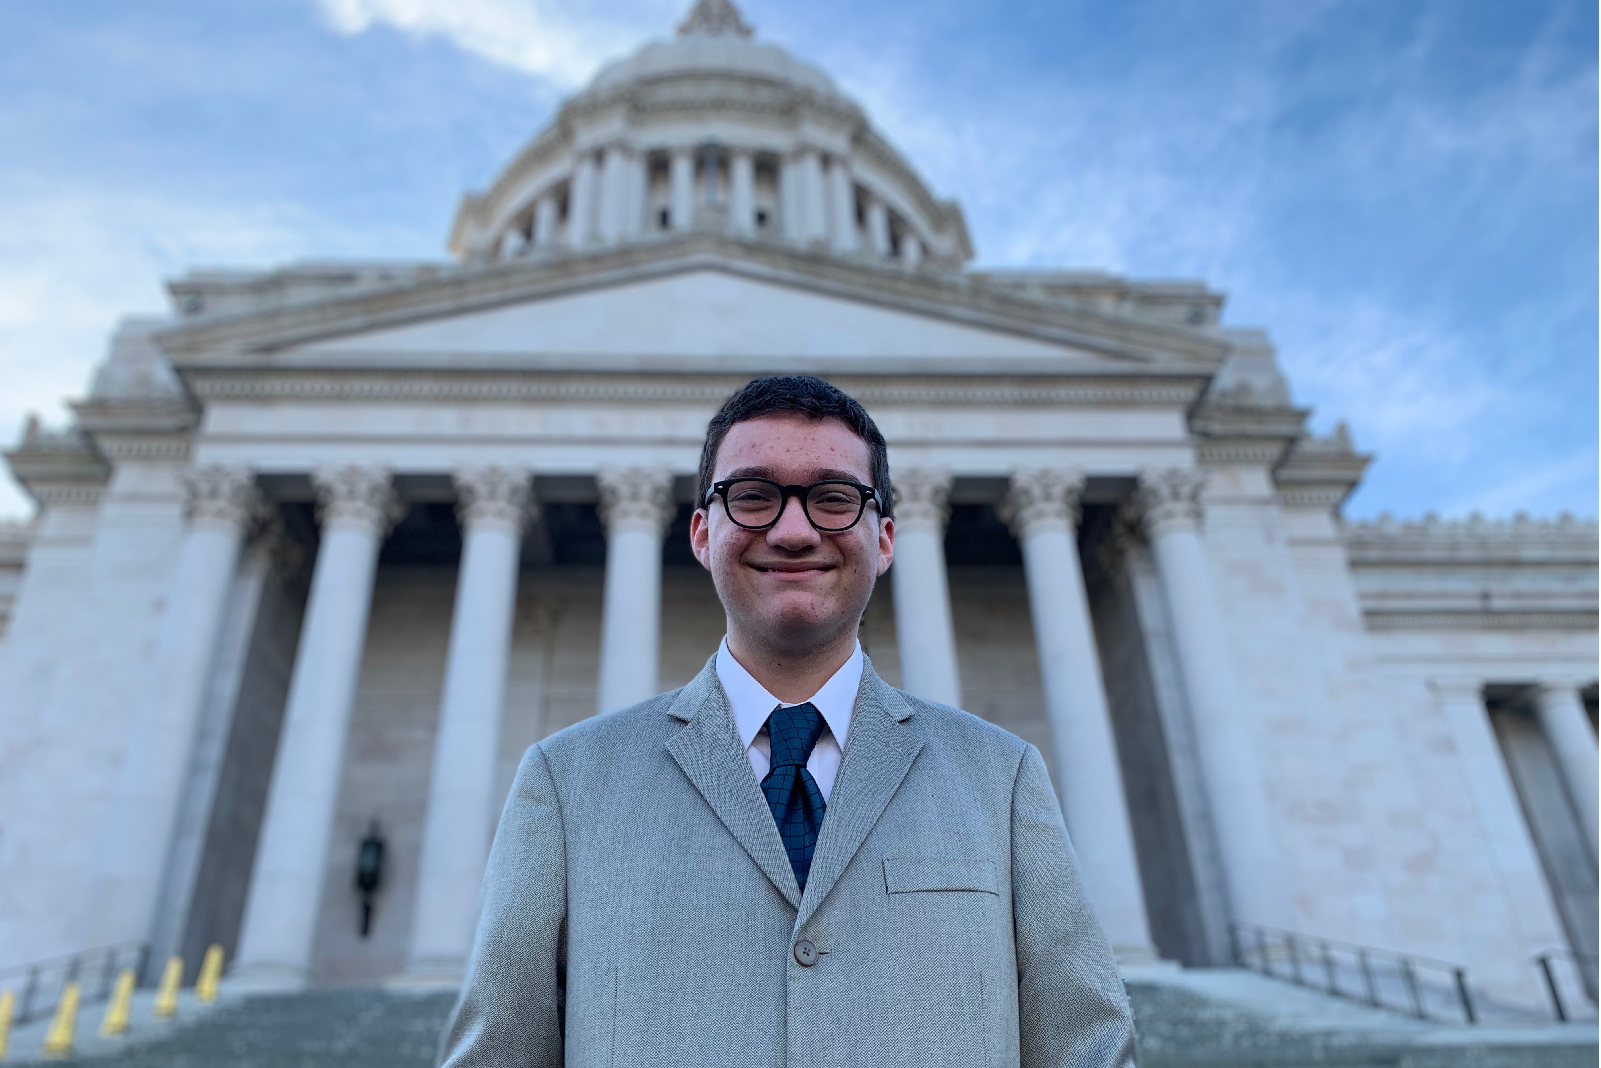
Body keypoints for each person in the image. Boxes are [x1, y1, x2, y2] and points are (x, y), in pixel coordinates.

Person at [439, 375, 1137, 1068]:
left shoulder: (1000, 777)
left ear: (886, 538)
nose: (794, 530)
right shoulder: (567, 783)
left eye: (833, 498)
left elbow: (1088, 1050)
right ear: (701, 533)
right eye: (752, 497)